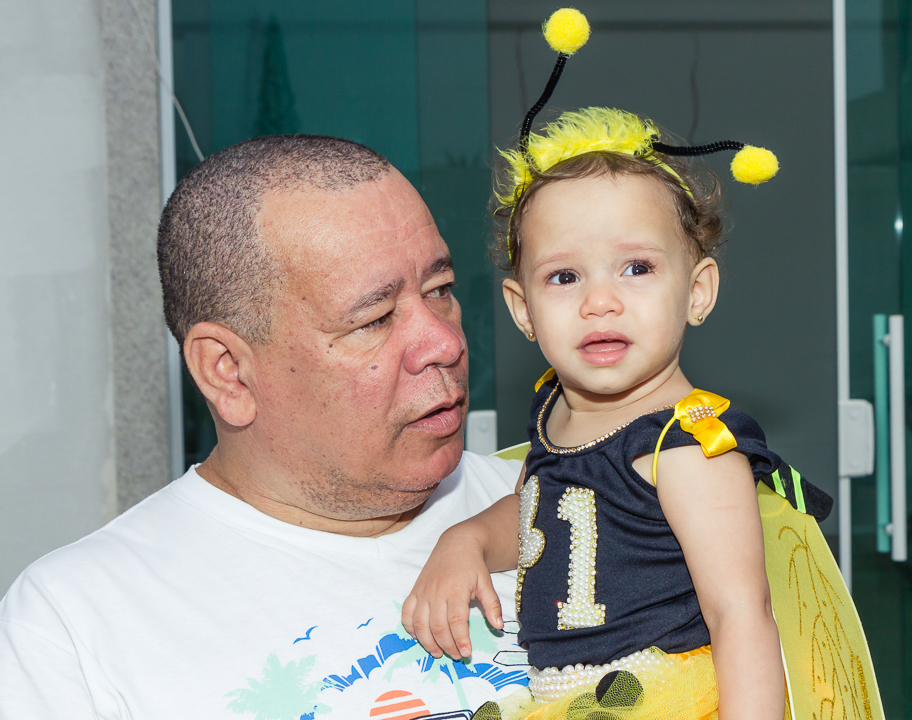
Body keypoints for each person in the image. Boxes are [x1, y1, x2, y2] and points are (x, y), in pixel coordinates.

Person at [0, 135, 532, 719]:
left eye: (440, 290)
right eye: (374, 319)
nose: (446, 341)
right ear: (228, 373)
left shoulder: (576, 503)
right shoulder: (74, 629)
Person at [401, 107, 820, 720]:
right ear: (523, 310)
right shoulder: (553, 414)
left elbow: (741, 615)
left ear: (697, 291)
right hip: (567, 701)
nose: (601, 301)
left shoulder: (686, 443)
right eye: (565, 276)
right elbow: (536, 514)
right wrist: (463, 539)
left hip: (661, 698)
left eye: (637, 268)